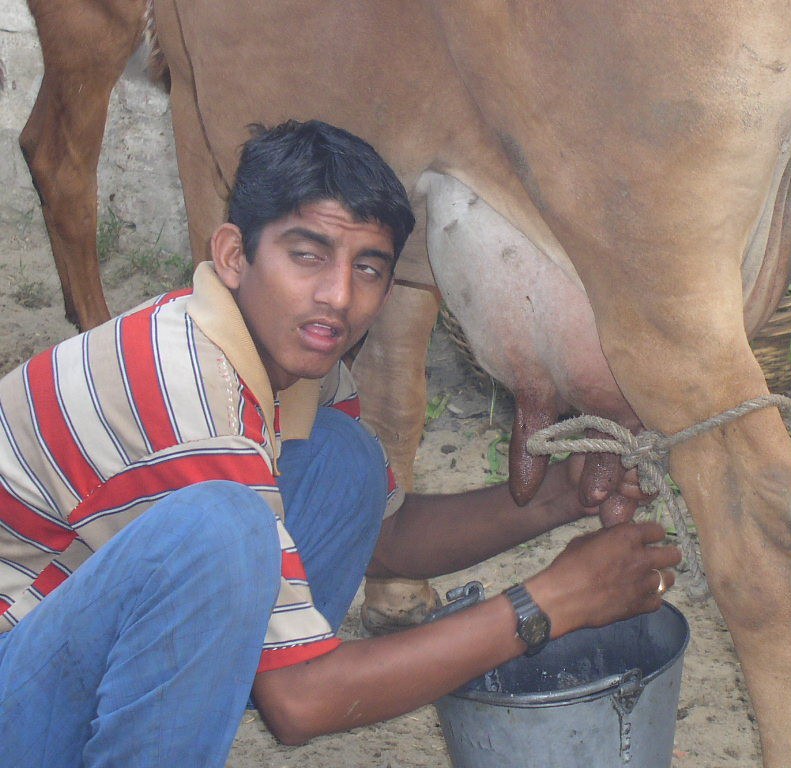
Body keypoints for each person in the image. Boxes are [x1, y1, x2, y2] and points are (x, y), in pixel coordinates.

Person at [0, 119, 680, 765]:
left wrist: (558, 498)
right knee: (224, 529)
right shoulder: (185, 390)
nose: (338, 296)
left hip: (48, 644)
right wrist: (551, 603)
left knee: (341, 459)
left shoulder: (288, 365)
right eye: (308, 256)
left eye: (369, 269)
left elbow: (382, 540)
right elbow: (300, 704)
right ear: (234, 255)